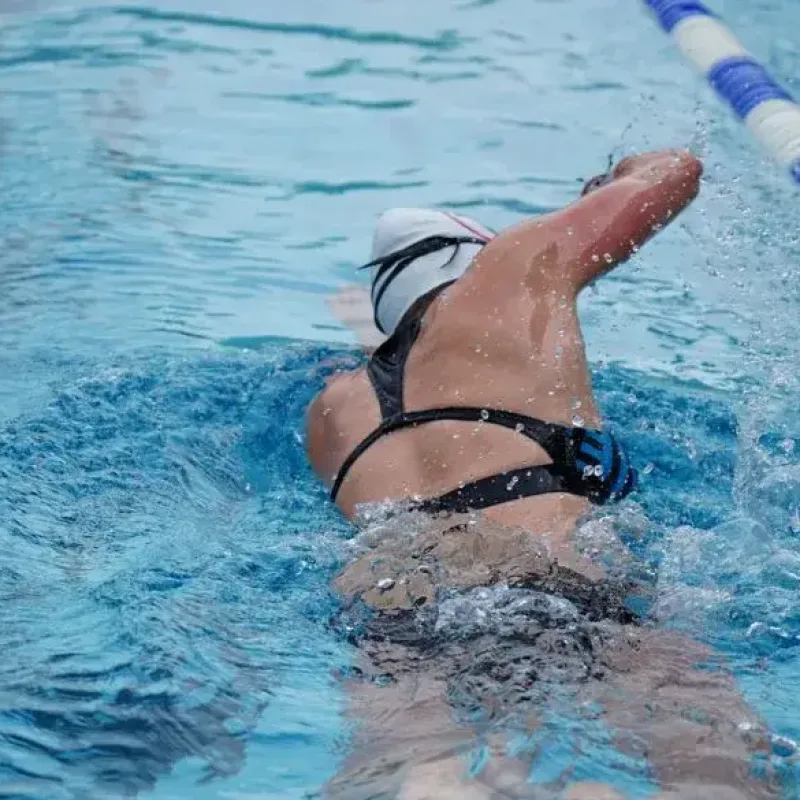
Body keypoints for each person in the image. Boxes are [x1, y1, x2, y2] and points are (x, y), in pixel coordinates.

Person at [306, 150, 781, 799]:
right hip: (547, 576)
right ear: (478, 256)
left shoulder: (332, 411)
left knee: (405, 766)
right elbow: (677, 173)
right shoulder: (511, 269)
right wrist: (610, 185)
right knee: (713, 752)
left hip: (392, 616)